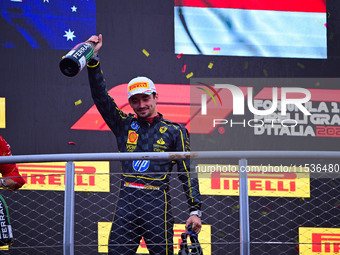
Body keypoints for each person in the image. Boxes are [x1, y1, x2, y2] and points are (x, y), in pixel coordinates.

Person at [85, 34, 202, 255]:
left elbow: (187, 173)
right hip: (127, 201)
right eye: (135, 100)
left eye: (146, 98)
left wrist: (195, 210)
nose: (141, 105)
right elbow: (101, 97)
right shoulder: (123, 125)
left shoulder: (175, 131)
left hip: (158, 203)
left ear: (155, 97)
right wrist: (93, 60)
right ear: (129, 102)